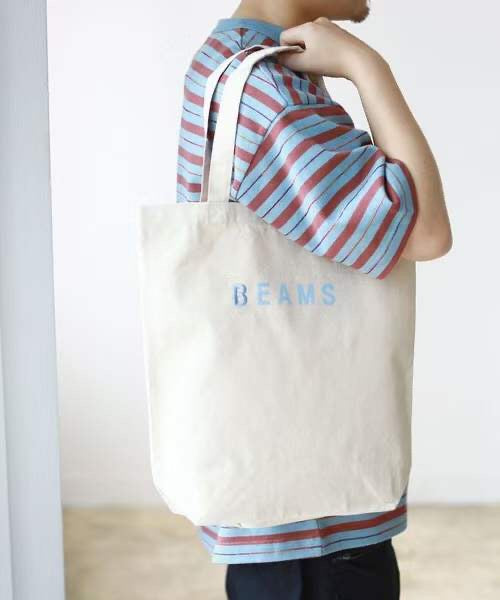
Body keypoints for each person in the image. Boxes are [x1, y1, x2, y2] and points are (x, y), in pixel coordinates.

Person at [176, 1, 452, 598]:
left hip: (289, 506)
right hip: (317, 528)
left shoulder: (235, 62)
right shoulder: (268, 91)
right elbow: (426, 231)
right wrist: (367, 67)